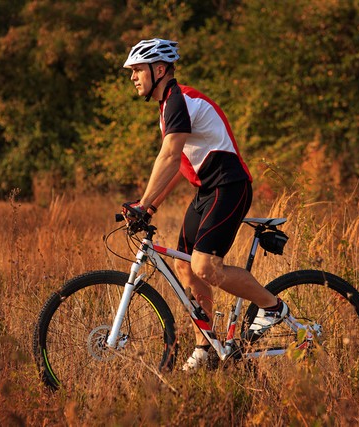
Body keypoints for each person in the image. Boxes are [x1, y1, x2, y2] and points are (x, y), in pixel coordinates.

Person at [122, 38, 288, 371]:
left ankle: (272, 308)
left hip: (229, 187)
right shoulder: (169, 106)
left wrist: (144, 203)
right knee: (185, 265)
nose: (132, 77)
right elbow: (179, 165)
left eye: (138, 70)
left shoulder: (179, 100)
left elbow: (169, 157)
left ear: (159, 69)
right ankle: (206, 346)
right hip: (207, 191)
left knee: (205, 267)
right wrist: (149, 207)